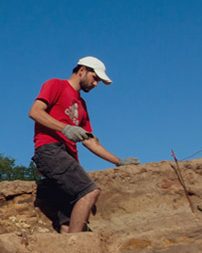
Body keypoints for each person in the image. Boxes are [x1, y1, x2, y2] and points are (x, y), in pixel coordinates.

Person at [29, 56, 140, 234]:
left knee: (67, 222)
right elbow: (35, 112)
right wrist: (65, 128)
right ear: (82, 70)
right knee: (90, 191)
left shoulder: (81, 104)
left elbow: (88, 140)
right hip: (51, 150)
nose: (96, 84)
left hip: (68, 157)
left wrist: (118, 161)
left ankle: (69, 251)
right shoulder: (55, 84)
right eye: (95, 78)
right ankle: (77, 246)